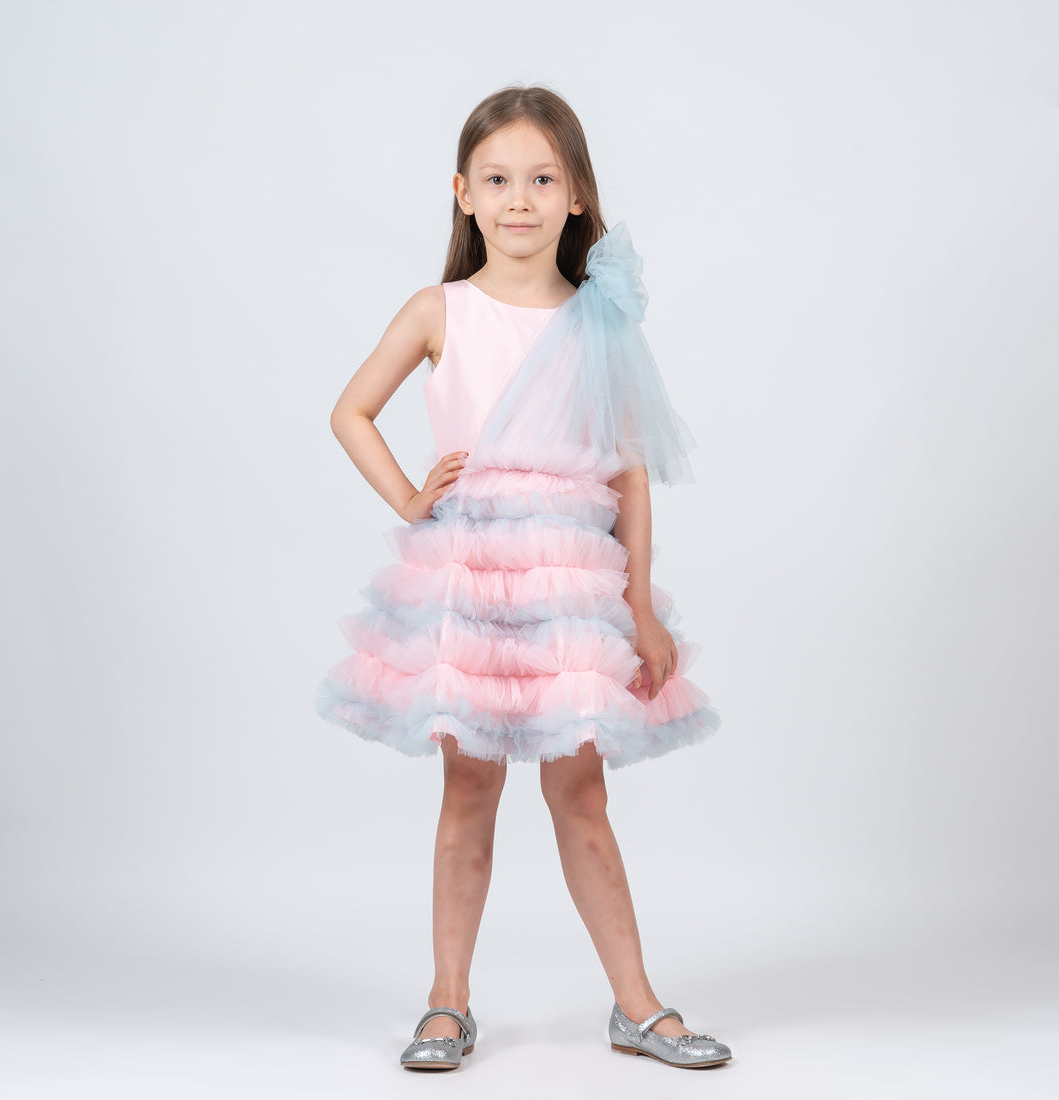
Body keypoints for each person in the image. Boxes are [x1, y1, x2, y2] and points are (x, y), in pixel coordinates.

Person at [316, 85, 731, 1072]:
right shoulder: (440, 310)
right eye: (497, 180)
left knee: (580, 788)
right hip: (470, 578)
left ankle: (637, 1004)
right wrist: (411, 496)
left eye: (542, 179)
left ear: (576, 193)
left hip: (568, 584)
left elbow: (628, 472)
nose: (519, 199)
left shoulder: (597, 321)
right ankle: (446, 1001)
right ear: (463, 193)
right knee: (468, 784)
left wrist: (638, 606)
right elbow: (350, 410)